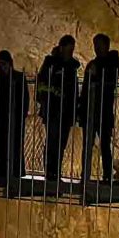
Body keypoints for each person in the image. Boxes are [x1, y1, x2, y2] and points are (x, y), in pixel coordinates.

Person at [35, 35, 81, 194]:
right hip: (54, 109)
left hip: (66, 111)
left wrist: (75, 109)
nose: (70, 53)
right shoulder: (51, 64)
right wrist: (53, 92)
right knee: (53, 141)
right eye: (68, 49)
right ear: (61, 48)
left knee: (61, 143)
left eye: (72, 50)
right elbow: (41, 84)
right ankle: (49, 172)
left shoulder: (72, 67)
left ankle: (56, 172)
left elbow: (73, 91)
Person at [79, 33, 119, 185]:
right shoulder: (93, 64)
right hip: (91, 110)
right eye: (95, 45)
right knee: (88, 145)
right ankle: (86, 175)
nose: (96, 48)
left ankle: (107, 175)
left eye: (99, 45)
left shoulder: (111, 61)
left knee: (104, 145)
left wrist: (96, 75)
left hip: (103, 110)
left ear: (106, 46)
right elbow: (85, 89)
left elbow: (110, 80)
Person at [0, 49, 31, 195]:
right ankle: (2, 171)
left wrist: (22, 113)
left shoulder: (18, 77)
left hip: (15, 116)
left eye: (5, 63)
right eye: (1, 64)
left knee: (15, 144)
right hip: (2, 116)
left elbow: (25, 97)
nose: (3, 67)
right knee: (1, 143)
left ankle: (15, 170)